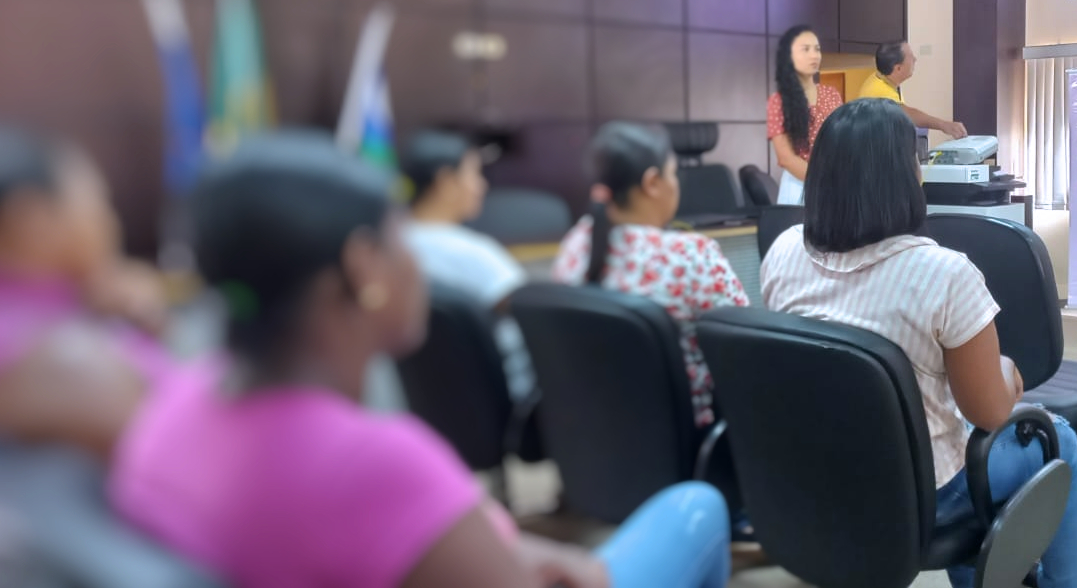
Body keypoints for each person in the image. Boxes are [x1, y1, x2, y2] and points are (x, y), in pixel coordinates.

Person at [111, 131, 731, 588]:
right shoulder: (373, 462)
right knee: (696, 510)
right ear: (362, 266)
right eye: (398, 234)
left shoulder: (175, 400)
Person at [760, 99, 1077, 588]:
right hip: (919, 491)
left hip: (816, 474)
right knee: (1056, 435)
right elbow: (991, 413)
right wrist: (1005, 368)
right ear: (905, 175)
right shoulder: (942, 273)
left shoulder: (785, 249)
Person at [0, 126, 215, 587]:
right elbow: (194, 460)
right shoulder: (52, 353)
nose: (110, 221)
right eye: (98, 201)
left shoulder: (79, 313)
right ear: (31, 220)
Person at [552, 122, 750, 430]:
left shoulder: (576, 243)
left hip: (591, 430)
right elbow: (743, 345)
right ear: (653, 183)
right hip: (688, 436)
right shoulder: (692, 254)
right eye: (673, 174)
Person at [400, 130, 534, 403]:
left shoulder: (391, 248)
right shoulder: (473, 254)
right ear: (446, 182)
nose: (482, 186)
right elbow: (535, 316)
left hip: (426, 398)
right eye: (474, 174)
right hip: (506, 398)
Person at [766, 25, 844, 205]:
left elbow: (842, 141)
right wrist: (822, 180)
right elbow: (785, 158)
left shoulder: (831, 94)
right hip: (798, 184)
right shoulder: (778, 101)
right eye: (806, 49)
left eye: (817, 49)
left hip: (833, 184)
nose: (814, 55)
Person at [858, 41, 968, 139]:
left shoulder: (882, 77)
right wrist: (943, 125)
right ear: (898, 68)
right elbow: (907, 114)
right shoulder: (879, 90)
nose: (915, 59)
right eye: (911, 57)